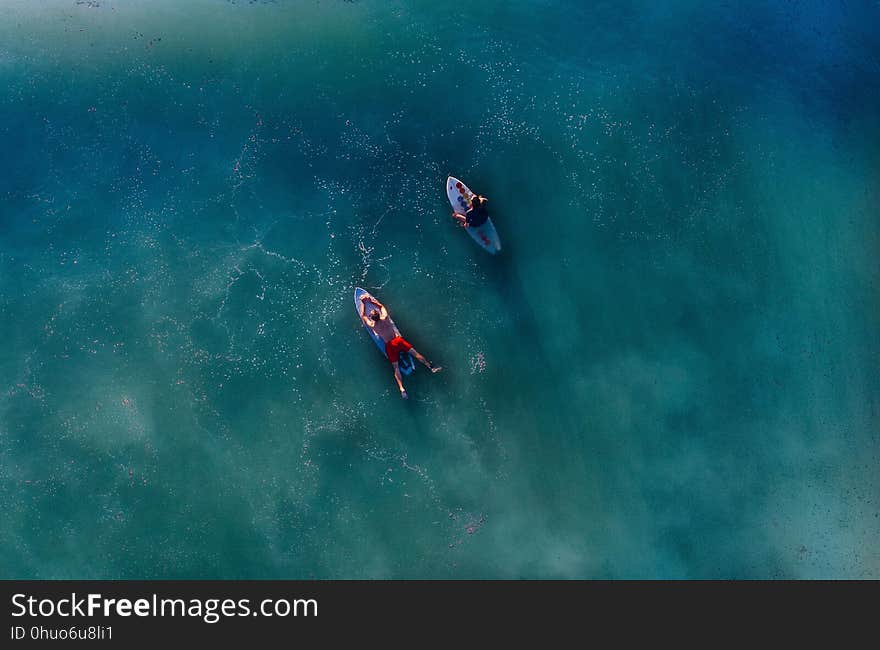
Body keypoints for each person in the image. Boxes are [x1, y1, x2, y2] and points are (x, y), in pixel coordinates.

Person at [360, 294, 441, 399]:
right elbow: (381, 306)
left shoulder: (372, 325)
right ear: (379, 315)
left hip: (389, 345)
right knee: (416, 354)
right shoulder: (385, 318)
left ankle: (402, 388)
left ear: (372, 318)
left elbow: (363, 316)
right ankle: (431, 367)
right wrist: (370, 301)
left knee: (396, 367)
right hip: (398, 341)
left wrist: (363, 302)